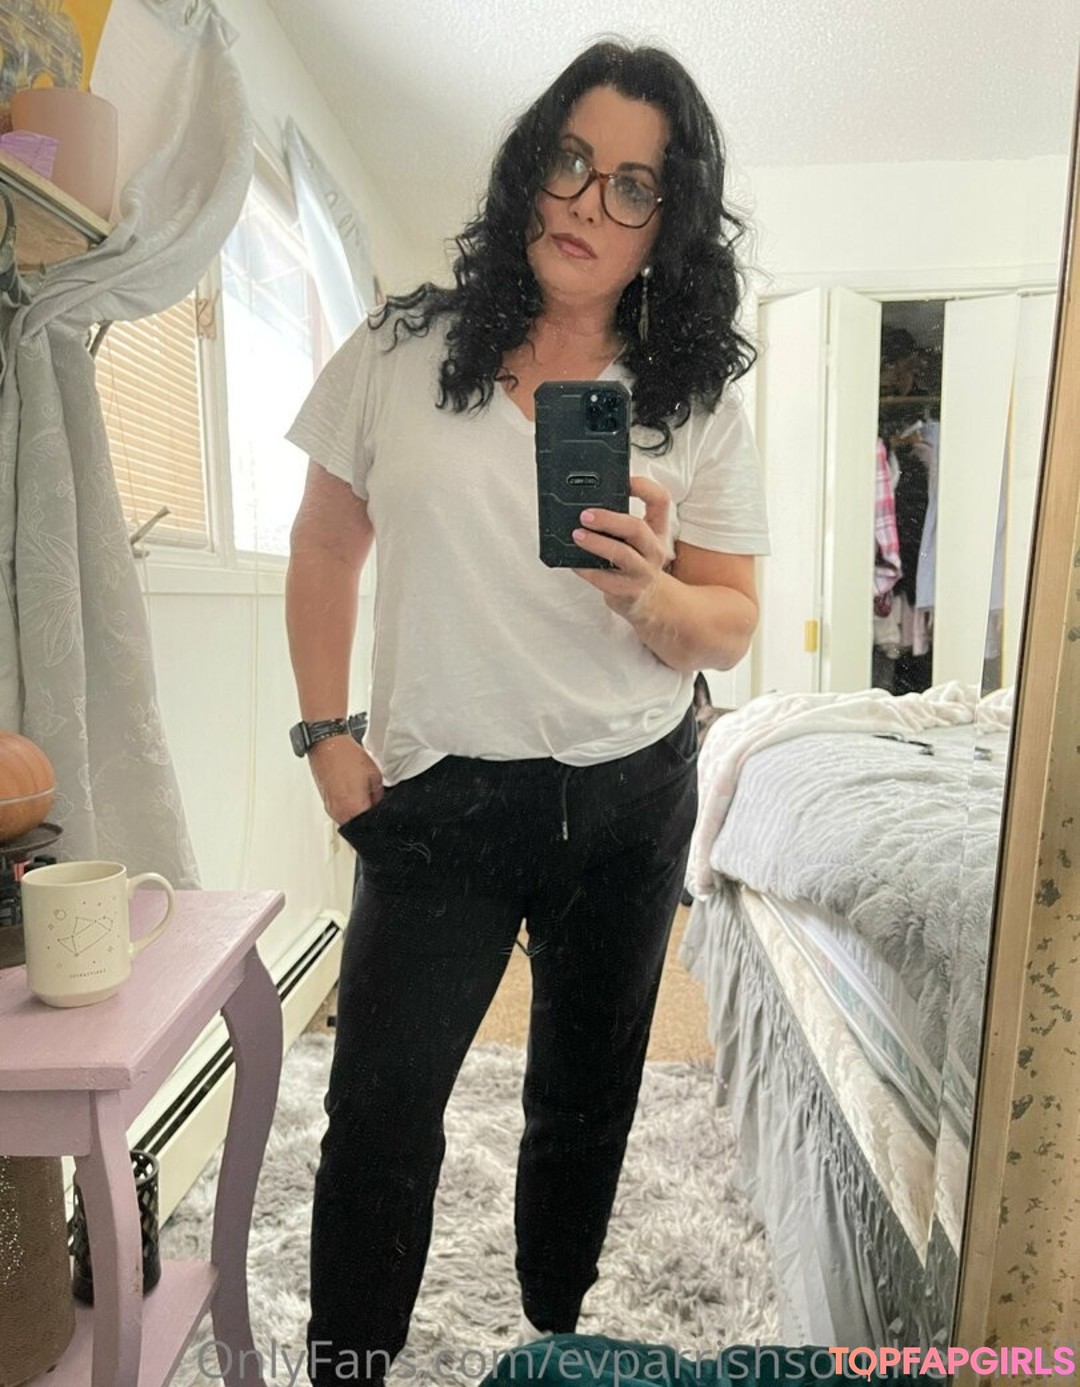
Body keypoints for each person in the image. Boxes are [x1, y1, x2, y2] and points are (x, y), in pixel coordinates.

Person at [284, 40, 770, 1386]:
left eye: (633, 186)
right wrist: (325, 732)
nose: (586, 203)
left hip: (630, 791)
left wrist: (652, 593)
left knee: (584, 1095)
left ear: (666, 225)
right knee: (379, 1111)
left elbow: (733, 619)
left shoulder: (696, 400)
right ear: (529, 165)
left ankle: (555, 1321)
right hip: (437, 795)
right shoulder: (401, 347)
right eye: (570, 160)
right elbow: (324, 544)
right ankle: (347, 1364)